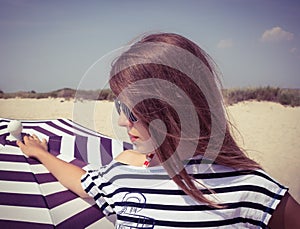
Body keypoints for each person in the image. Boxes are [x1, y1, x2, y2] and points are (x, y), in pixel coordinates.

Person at [17, 33, 300, 228]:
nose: (122, 122)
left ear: (171, 109)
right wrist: (42, 154)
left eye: (132, 110)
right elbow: (82, 182)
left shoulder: (250, 189)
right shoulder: (123, 174)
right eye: (120, 107)